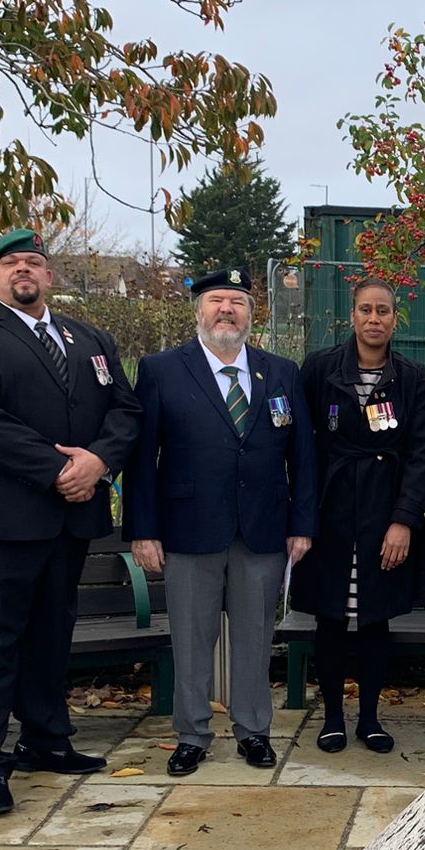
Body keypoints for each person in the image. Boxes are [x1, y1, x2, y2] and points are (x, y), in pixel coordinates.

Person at [0, 227, 142, 815]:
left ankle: (45, 740)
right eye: (10, 264)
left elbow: (126, 410)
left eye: (32, 262)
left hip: (68, 520)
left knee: (51, 634)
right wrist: (58, 469)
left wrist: (98, 461)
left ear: (49, 275)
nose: (22, 270)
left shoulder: (90, 339)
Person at [125, 269, 317, 777]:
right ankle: (191, 734)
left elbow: (303, 454)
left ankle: (253, 731)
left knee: (255, 637)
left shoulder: (281, 371)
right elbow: (142, 459)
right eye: (216, 301)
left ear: (252, 313)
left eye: (238, 301)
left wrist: (302, 523)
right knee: (192, 639)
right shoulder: (162, 370)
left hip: (263, 529)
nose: (227, 310)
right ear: (199, 311)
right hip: (189, 528)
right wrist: (143, 530)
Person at [287, 278, 425, 754]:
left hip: (383, 512)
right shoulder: (319, 368)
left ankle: (370, 718)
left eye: (383, 311)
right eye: (366, 310)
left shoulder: (411, 376)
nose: (374, 319)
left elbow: (422, 454)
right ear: (352, 315)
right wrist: (302, 520)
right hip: (330, 511)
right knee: (331, 617)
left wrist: (403, 520)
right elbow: (301, 447)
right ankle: (332, 717)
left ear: (395, 318)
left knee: (374, 618)